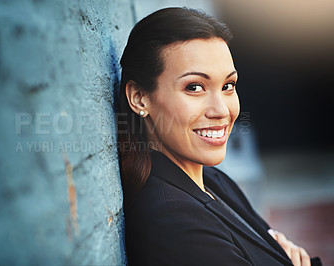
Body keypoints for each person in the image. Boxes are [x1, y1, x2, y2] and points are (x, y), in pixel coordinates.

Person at [117, 7, 322, 266]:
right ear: (139, 97)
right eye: (194, 87)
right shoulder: (175, 221)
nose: (221, 110)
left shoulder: (212, 179)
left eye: (228, 86)